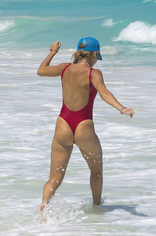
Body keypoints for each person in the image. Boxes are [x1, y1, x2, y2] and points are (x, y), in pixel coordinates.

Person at [38, 37, 134, 215]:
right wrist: (122, 108)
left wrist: (53, 52)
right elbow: (104, 92)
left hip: (63, 124)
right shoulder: (94, 73)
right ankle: (97, 210)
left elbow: (41, 71)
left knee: (54, 178)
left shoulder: (64, 68)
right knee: (96, 171)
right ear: (94, 54)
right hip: (84, 126)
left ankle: (44, 208)